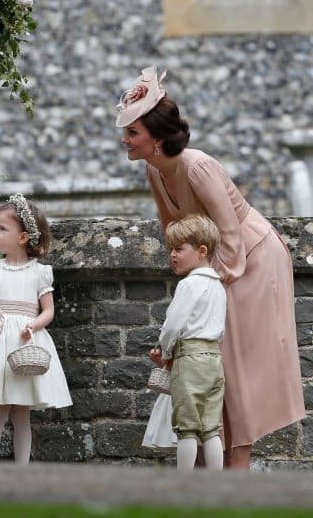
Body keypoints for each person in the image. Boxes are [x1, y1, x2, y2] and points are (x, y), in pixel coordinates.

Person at [117, 65, 305, 470]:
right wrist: (191, 279)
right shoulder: (154, 169)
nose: (125, 139)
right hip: (215, 262)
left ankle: (235, 466)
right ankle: (209, 459)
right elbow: (174, 230)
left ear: (157, 138)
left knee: (235, 361)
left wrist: (207, 283)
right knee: (206, 354)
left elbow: (231, 234)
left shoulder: (197, 166)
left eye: (132, 132)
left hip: (252, 257)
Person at [0, 194, 71, 464]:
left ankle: (22, 470)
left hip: (25, 343)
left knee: (22, 413)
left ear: (22, 237)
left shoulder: (39, 272)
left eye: (2, 228)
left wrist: (33, 324)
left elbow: (48, 311)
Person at [147, 214, 227, 471]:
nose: (172, 254)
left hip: (189, 359)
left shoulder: (189, 284)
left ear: (202, 251)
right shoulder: (218, 286)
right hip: (214, 360)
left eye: (179, 249)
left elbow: (173, 325)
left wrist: (165, 352)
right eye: (171, 249)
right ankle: (217, 485)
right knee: (211, 428)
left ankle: (184, 484)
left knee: (187, 428)